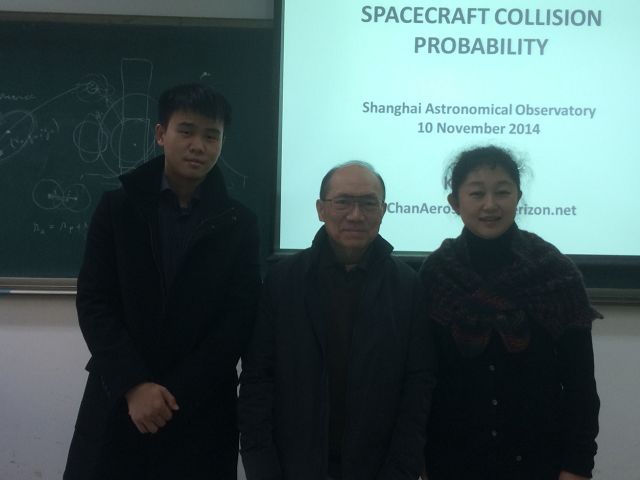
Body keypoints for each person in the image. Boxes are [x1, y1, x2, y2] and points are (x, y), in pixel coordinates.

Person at [64, 83, 261, 480]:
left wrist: (172, 395)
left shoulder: (239, 223)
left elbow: (238, 320)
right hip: (120, 398)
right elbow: (94, 301)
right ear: (160, 133)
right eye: (186, 131)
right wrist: (135, 385)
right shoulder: (117, 208)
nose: (198, 146)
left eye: (212, 136)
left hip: (200, 407)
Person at [238, 161, 436, 480]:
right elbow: (258, 379)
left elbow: (417, 387)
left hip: (378, 469)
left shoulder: (407, 286)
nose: (355, 215)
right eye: (343, 202)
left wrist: (401, 470)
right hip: (290, 467)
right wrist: (261, 467)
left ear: (383, 211)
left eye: (368, 203)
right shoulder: (283, 281)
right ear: (321, 209)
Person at [419, 146, 600, 480]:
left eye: (502, 192)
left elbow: (580, 386)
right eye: (477, 193)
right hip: (451, 461)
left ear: (518, 197)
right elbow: (421, 380)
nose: (490, 205)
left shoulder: (555, 273)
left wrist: (577, 466)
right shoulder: (436, 274)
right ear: (455, 202)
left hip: (538, 462)